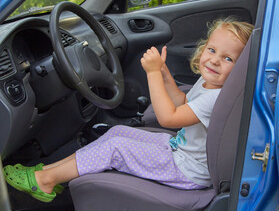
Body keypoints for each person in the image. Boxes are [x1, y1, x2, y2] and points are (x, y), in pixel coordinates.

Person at [2, 18, 253, 202]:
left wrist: (153, 74)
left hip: (187, 170)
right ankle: (50, 171)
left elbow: (169, 117)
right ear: (204, 48)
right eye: (212, 50)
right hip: (180, 150)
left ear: (241, 68)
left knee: (115, 148)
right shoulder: (210, 82)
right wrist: (165, 75)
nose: (215, 60)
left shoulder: (218, 95)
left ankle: (44, 183)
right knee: (117, 132)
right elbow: (183, 104)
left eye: (228, 59)